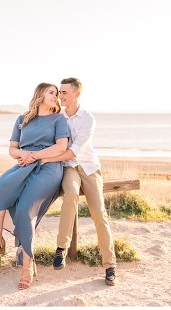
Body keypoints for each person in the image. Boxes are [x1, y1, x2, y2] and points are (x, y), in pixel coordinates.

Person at [0, 82, 70, 290]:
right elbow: (12, 149)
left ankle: (27, 265)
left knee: (25, 208)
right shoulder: (22, 119)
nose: (56, 96)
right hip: (23, 164)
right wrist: (24, 155)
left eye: (57, 93)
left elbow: (61, 147)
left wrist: (35, 156)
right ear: (40, 95)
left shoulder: (59, 119)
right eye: (51, 92)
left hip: (48, 167)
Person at [40, 77, 117, 285]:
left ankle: (110, 265)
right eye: (59, 92)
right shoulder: (57, 117)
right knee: (71, 194)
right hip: (68, 168)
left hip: (89, 166)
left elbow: (73, 150)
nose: (60, 96)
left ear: (76, 94)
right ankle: (61, 249)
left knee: (99, 213)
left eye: (64, 92)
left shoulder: (88, 118)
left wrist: (46, 158)